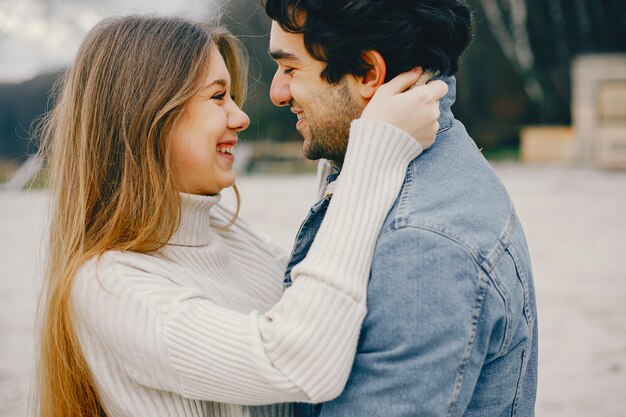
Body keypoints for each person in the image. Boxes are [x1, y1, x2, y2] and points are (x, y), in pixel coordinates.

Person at [36, 15, 448, 417]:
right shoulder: (111, 287)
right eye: (218, 97)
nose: (241, 117)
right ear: (145, 117)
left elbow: (330, 300)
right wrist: (372, 156)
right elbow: (301, 362)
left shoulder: (226, 234)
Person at [263, 0, 538, 416]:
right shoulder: (436, 164)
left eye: (290, 69)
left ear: (368, 73)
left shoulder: (422, 245)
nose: (277, 93)